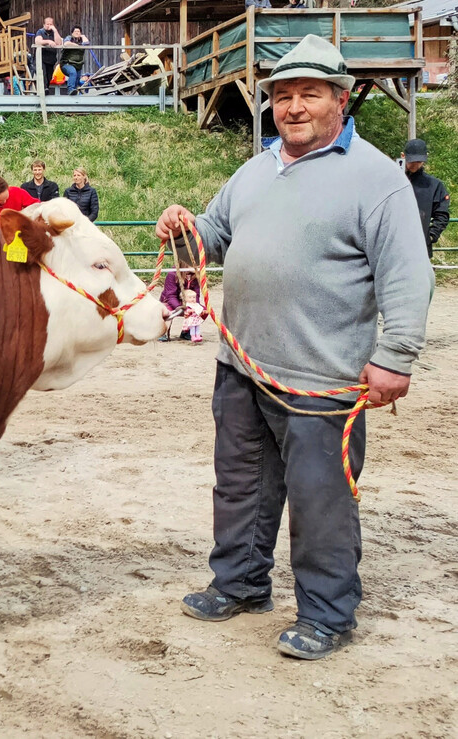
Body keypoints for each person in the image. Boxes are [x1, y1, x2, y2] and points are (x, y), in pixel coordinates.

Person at [158, 35, 433, 660]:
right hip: (242, 366)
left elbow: (409, 275)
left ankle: (329, 615)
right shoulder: (253, 170)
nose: (294, 107)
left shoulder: (377, 180)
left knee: (321, 500)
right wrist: (184, 228)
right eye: (283, 95)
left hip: (323, 377)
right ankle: (240, 584)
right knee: (240, 488)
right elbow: (215, 236)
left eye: (309, 93)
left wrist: (397, 355)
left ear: (340, 99)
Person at [402, 138, 450, 258]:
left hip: (421, 249)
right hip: (391, 247)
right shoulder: (390, 180)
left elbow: (442, 214)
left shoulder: (434, 185)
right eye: (412, 160)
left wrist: (431, 236)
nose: (415, 164)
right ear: (403, 156)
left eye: (419, 161)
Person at [158, 264, 201, 342]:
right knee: (167, 312)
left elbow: (196, 294)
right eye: (195, 265)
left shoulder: (195, 276)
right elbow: (170, 295)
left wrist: (195, 306)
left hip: (187, 301)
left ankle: (187, 332)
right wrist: (179, 307)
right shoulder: (172, 274)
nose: (198, 267)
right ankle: (163, 332)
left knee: (198, 311)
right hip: (170, 301)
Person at [34, 18, 62, 92]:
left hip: (51, 59)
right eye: (47, 24)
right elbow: (37, 41)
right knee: (43, 74)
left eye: (51, 24)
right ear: (44, 25)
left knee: (49, 76)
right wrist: (48, 41)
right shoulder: (40, 32)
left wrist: (55, 31)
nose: (49, 26)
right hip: (41, 58)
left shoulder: (54, 33)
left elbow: (59, 43)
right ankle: (43, 89)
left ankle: (46, 88)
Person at [61, 26, 89, 92]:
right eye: (75, 31)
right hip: (67, 63)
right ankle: (70, 89)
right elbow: (66, 43)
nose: (77, 33)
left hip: (78, 65)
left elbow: (87, 43)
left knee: (76, 79)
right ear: (72, 33)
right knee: (73, 73)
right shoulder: (69, 38)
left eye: (78, 31)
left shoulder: (82, 40)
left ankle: (74, 93)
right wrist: (77, 46)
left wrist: (83, 36)